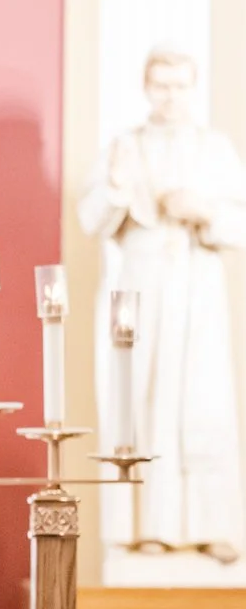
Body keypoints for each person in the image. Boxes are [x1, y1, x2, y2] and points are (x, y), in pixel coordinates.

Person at [79, 47, 246, 561]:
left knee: (203, 400)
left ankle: (210, 525)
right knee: (144, 399)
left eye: (179, 86)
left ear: (192, 88)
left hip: (197, 287)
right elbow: (91, 218)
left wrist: (202, 210)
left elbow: (238, 222)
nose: (170, 97)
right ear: (146, 88)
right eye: (161, 86)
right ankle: (147, 525)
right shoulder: (124, 147)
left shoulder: (215, 149)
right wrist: (117, 188)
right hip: (143, 285)